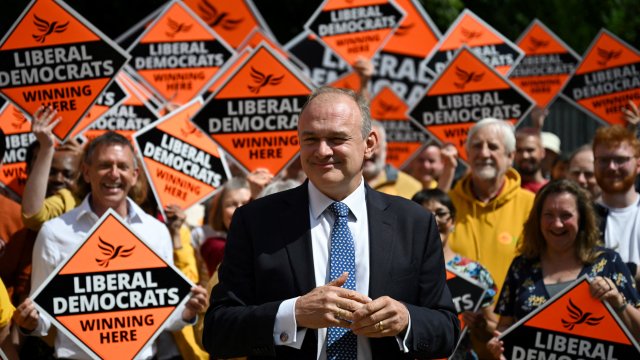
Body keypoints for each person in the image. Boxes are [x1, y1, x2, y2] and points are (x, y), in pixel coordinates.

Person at [203, 87, 459, 359]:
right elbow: (218, 332)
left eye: (337, 138)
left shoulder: (414, 223)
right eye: (310, 138)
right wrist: (294, 313)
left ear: (369, 144)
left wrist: (406, 320)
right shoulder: (256, 221)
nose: (322, 151)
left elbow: (446, 329)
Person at [13, 131, 208, 359]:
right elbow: (44, 318)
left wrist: (187, 311)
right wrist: (29, 322)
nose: (114, 174)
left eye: (122, 167)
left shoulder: (155, 232)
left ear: (134, 175)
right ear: (86, 172)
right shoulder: (56, 232)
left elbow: (164, 316)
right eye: (105, 165)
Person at [488, 180, 640, 358]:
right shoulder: (521, 266)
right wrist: (499, 344)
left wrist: (618, 302)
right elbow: (505, 326)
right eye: (549, 215)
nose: (557, 224)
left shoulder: (607, 262)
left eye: (566, 215)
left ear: (582, 218)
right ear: (537, 219)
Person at [448, 118, 535, 293]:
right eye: (477, 146)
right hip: (454, 318)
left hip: (511, 318)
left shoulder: (532, 205)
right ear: (467, 154)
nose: (484, 153)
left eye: (493, 147)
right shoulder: (448, 205)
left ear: (510, 156)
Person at [412, 189, 498, 360]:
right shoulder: (400, 268)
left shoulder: (475, 272)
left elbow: (495, 328)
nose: (434, 220)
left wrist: (481, 325)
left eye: (441, 213)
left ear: (453, 221)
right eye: (424, 214)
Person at [592, 125, 640, 283]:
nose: (612, 167)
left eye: (620, 160)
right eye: (603, 160)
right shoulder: (583, 217)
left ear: (638, 164)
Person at [195, 177, 251, 277]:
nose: (239, 209)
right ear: (220, 211)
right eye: (231, 204)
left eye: (246, 204)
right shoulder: (214, 246)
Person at [363, 120, 423, 199]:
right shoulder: (342, 186)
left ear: (385, 148)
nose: (368, 151)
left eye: (372, 144)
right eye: (363, 144)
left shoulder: (413, 187)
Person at [514, 128, 548, 193]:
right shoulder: (508, 188)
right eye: (519, 150)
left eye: (530, 150)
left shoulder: (550, 190)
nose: (525, 156)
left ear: (542, 152)